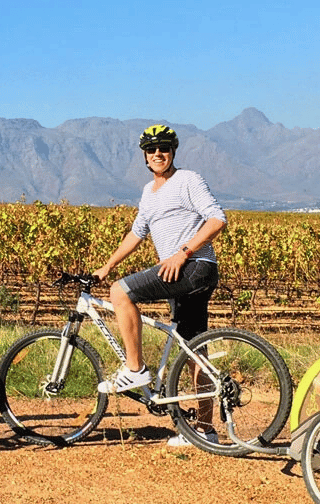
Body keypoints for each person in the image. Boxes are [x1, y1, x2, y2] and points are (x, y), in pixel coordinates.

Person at [93, 124, 228, 447]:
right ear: (144, 156)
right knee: (193, 349)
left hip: (194, 266)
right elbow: (137, 233)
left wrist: (183, 253)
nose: (158, 153)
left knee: (120, 292)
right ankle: (205, 431)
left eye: (164, 148)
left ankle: (135, 368)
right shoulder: (148, 192)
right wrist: (108, 265)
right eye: (151, 150)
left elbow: (217, 218)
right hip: (184, 273)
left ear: (173, 152)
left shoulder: (188, 180)